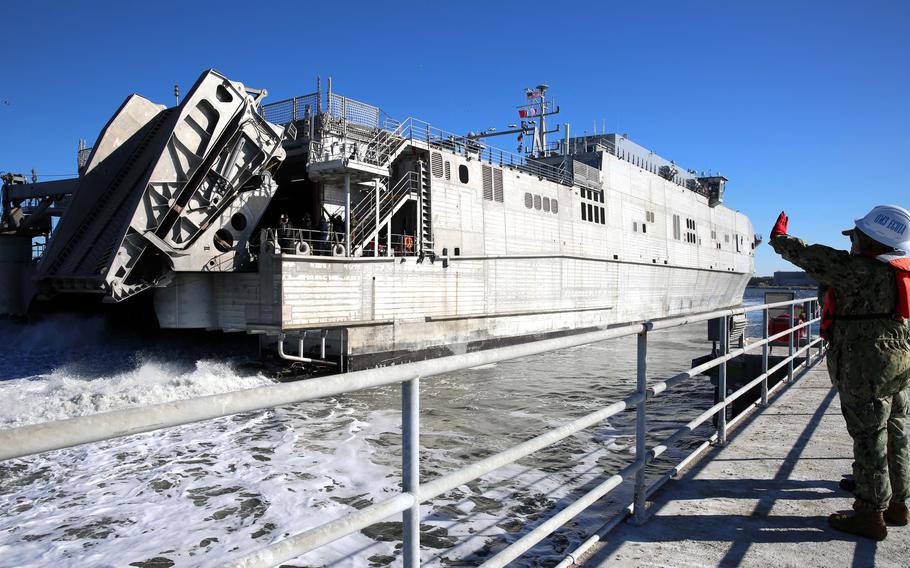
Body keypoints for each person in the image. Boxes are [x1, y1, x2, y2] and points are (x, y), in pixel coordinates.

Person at [769, 205, 910, 540]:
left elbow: (813, 257)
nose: (851, 242)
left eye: (856, 236)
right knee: (896, 432)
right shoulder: (897, 270)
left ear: (873, 239)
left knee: (869, 438)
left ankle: (869, 514)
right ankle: (899, 504)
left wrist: (780, 239)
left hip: (866, 363)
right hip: (898, 359)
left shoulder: (860, 270)